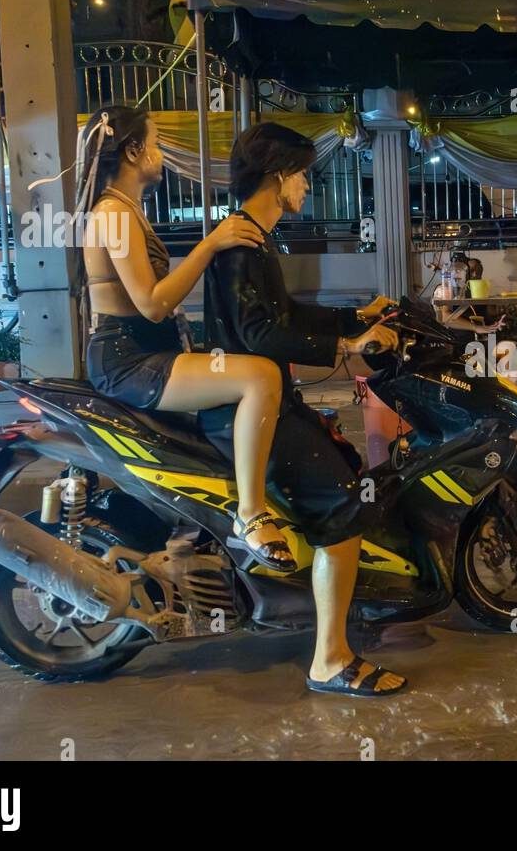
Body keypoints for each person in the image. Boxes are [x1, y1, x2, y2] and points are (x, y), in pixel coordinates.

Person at [203, 121, 407, 696]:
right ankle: (331, 658)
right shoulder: (242, 242)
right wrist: (347, 345)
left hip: (265, 397)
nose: (308, 188)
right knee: (343, 503)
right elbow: (261, 331)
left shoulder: (254, 237)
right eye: (303, 176)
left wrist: (356, 318)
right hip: (248, 406)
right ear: (278, 177)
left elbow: (285, 313)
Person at [77, 105, 294, 573]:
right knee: (261, 377)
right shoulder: (113, 213)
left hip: (145, 351)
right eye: (154, 143)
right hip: (127, 359)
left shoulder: (125, 210)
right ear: (133, 151)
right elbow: (152, 303)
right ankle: (251, 515)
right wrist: (211, 243)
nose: (159, 153)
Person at [432, 257, 504, 335]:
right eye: (471, 271)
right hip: (459, 338)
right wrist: (475, 327)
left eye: (478, 271)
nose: (475, 274)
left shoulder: (482, 288)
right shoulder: (445, 289)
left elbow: (488, 313)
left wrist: (497, 321)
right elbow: (444, 317)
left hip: (485, 335)